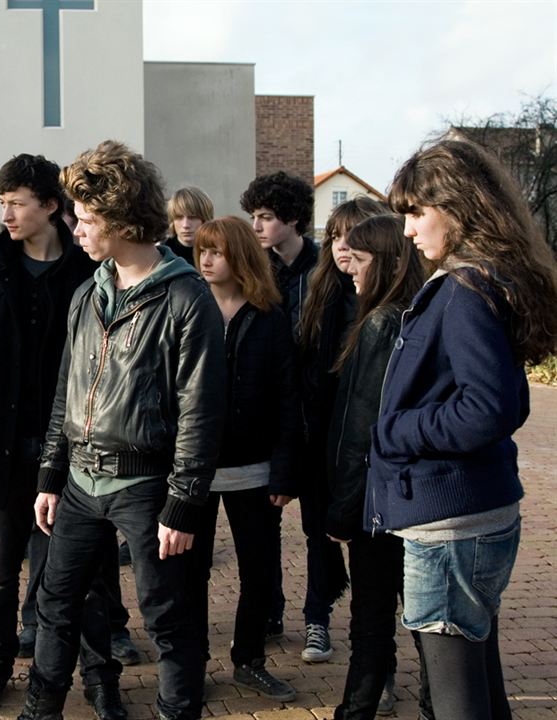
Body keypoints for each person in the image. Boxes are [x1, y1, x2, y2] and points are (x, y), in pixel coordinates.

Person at [18, 141, 226, 720]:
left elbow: (201, 411)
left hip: (148, 485)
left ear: (120, 218)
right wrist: (50, 476)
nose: (75, 228)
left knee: (167, 615)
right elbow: (66, 391)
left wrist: (183, 504)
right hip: (81, 485)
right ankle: (42, 709)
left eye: (85, 218)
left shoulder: (186, 298)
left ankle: (177, 709)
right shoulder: (88, 293)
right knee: (55, 602)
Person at [370, 140, 557, 720]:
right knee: (480, 686)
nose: (406, 231)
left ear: (457, 206)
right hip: (468, 512)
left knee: (457, 698)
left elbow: (492, 407)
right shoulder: (473, 282)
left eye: (416, 213)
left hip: (452, 522)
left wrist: (399, 429)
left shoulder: (465, 290)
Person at [0, 153, 124, 717]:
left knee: (89, 571)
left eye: (17, 203)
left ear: (51, 206)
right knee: (1, 573)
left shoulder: (88, 272)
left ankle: (101, 677)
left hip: (76, 448)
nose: (6, 214)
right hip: (2, 442)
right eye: (2, 203)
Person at [190, 216, 299, 703]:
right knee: (189, 573)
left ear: (240, 256)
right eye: (203, 251)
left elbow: (287, 397)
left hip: (255, 471)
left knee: (259, 571)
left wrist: (283, 469)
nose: (207, 259)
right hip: (194, 469)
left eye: (217, 251)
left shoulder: (268, 314)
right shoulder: (187, 308)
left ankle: (249, 660)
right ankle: (188, 664)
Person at [325, 214, 424, 720]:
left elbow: (358, 426)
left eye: (360, 262)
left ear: (384, 264)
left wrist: (341, 511)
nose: (352, 273)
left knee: (371, 615)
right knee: (422, 615)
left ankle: (357, 709)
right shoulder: (416, 313)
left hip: (377, 499)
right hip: (411, 494)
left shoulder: (383, 321)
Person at [294, 196, 388, 667]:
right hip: (319, 440)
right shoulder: (318, 294)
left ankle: (375, 655)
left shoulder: (385, 304)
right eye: (334, 237)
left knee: (370, 550)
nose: (342, 248)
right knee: (317, 534)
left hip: (365, 445)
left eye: (354, 239)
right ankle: (318, 619)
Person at [239, 169, 316, 642]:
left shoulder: (323, 269)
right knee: (264, 523)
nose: (257, 226)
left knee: (317, 526)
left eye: (265, 217)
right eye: (253, 216)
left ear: (291, 219)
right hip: (269, 411)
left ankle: (318, 618)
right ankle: (270, 609)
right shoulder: (259, 269)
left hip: (313, 407)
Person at [162, 185, 214, 266]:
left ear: (204, 219)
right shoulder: (161, 255)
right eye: (179, 217)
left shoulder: (219, 252)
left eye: (192, 217)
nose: (185, 225)